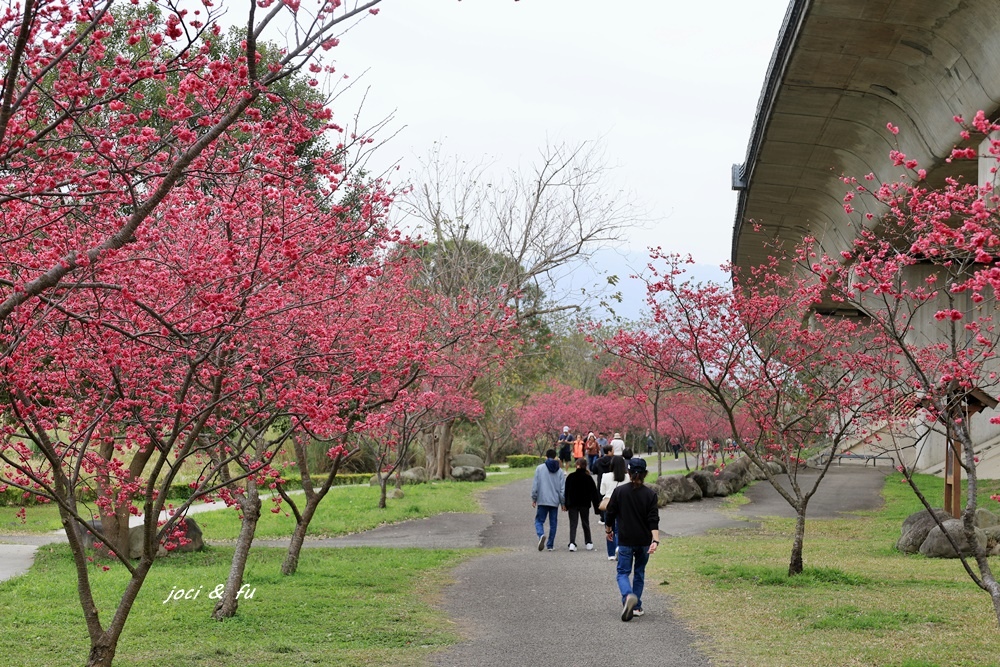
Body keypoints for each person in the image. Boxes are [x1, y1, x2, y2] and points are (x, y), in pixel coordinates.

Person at [604, 457, 660, 621]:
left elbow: (610, 512)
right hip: (644, 541)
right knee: (639, 572)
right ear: (645, 474)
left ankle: (628, 596)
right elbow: (653, 519)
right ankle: (636, 607)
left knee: (622, 572)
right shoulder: (650, 494)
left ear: (628, 473)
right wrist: (655, 541)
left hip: (625, 540)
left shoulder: (619, 492)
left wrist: (609, 529)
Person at [532, 449, 566, 551]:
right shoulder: (559, 471)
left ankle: (541, 534)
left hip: (542, 499)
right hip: (554, 501)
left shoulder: (540, 468)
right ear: (555, 457)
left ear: (546, 456)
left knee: (539, 521)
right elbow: (562, 489)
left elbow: (535, 486)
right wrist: (562, 502)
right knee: (553, 523)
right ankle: (550, 545)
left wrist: (534, 498)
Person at [564, 457, 601, 551]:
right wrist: (597, 508)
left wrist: (565, 504)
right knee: (585, 523)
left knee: (573, 524)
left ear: (577, 465)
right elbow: (594, 494)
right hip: (584, 504)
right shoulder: (588, 478)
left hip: (572, 504)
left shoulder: (570, 477)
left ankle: (572, 542)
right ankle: (588, 542)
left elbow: (566, 492)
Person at [599, 456, 629, 561]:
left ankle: (611, 553)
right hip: (623, 504)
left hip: (609, 503)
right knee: (620, 528)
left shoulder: (606, 476)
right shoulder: (628, 477)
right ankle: (619, 546)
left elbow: (602, 492)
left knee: (609, 528)